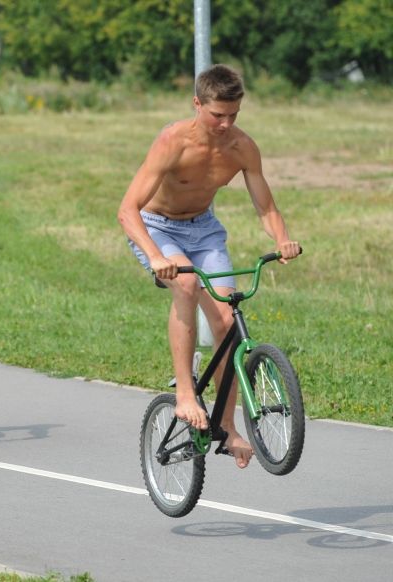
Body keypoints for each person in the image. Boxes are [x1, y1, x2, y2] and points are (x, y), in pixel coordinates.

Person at [117, 64, 300, 468]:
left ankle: (228, 426)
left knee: (226, 320)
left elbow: (265, 206)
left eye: (234, 114)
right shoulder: (172, 141)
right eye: (217, 114)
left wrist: (281, 238)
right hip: (157, 227)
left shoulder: (242, 147)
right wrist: (155, 256)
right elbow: (128, 210)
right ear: (197, 104)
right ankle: (184, 392)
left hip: (204, 231)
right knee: (185, 287)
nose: (226, 123)